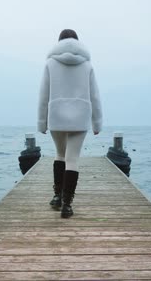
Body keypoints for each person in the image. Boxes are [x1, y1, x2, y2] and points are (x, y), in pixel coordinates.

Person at [38, 29, 103, 218]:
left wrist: (42, 122)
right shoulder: (87, 65)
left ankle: (57, 196)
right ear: (78, 43)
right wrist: (97, 123)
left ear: (58, 43)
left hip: (56, 115)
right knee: (72, 158)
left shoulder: (50, 63)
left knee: (59, 154)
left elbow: (43, 95)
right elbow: (95, 96)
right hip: (81, 117)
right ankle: (67, 205)